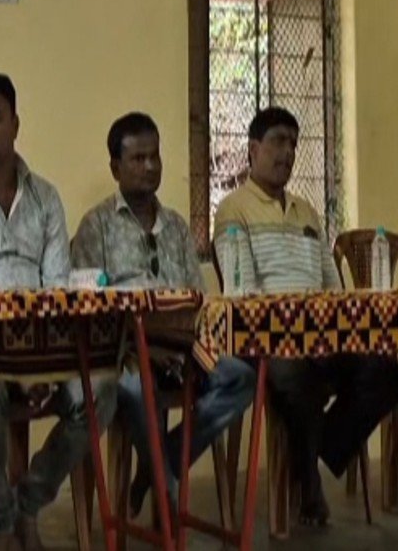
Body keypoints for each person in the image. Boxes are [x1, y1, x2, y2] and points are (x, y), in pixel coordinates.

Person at [0, 74, 117, 551]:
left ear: (15, 124)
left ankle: (28, 503)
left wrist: (40, 362)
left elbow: (57, 291)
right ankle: (2, 524)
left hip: (40, 347)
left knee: (102, 388)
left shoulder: (45, 198)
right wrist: (15, 363)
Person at [213, 106, 398, 526]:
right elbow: (243, 294)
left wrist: (336, 331)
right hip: (267, 340)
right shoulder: (233, 211)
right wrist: (290, 329)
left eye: (293, 143)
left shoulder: (307, 212)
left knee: (385, 371)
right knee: (297, 378)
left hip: (321, 335)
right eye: (278, 141)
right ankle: (308, 487)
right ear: (253, 149)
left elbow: (333, 289)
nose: (288, 152)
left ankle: (315, 454)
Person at [71, 112, 254, 515]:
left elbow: (199, 298)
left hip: (183, 347)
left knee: (240, 378)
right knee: (136, 392)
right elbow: (84, 304)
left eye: (155, 156)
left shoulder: (175, 226)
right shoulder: (95, 226)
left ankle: (156, 471)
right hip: (127, 353)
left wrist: (184, 335)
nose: (150, 166)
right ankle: (167, 490)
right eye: (138, 159)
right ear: (115, 167)